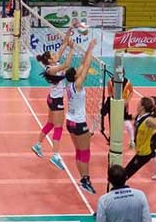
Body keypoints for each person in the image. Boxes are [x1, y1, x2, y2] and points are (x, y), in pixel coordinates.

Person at [31, 31, 74, 169]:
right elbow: (67, 64)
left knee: (50, 123)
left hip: (51, 98)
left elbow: (62, 45)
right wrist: (72, 49)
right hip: (56, 101)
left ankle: (38, 145)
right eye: (53, 55)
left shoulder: (54, 62)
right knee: (58, 127)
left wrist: (69, 32)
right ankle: (55, 155)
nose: (56, 55)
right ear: (49, 60)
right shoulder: (51, 70)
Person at [65, 40, 97, 193]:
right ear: (76, 75)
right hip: (78, 123)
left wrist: (87, 51)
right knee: (85, 152)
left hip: (70, 122)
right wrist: (90, 48)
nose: (79, 69)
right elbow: (87, 65)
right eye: (77, 70)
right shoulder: (78, 85)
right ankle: (86, 179)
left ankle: (83, 179)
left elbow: (83, 65)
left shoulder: (70, 85)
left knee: (79, 151)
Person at [100, 70, 135, 146]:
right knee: (105, 116)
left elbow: (131, 92)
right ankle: (111, 137)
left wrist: (127, 101)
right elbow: (109, 92)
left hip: (123, 104)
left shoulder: (127, 82)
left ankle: (132, 140)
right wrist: (112, 98)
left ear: (123, 74)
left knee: (125, 121)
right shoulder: (110, 81)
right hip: (113, 102)